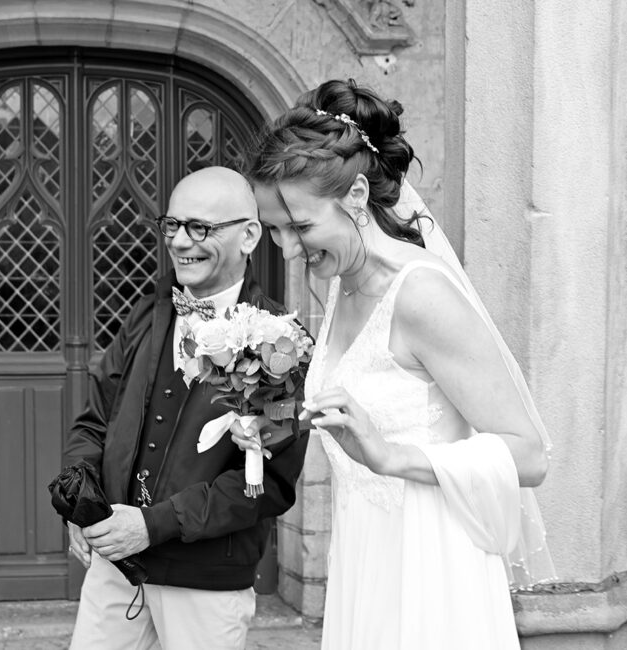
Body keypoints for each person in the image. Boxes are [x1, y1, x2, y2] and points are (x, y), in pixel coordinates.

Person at [234, 79, 555, 649]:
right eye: (277, 230)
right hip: (364, 555)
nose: (286, 249)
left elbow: (529, 453)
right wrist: (277, 418)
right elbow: (365, 402)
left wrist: (391, 455)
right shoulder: (340, 280)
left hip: (431, 569)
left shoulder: (421, 294)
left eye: (301, 227)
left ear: (356, 196)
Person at [63, 166, 310, 650]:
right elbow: (95, 420)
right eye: (172, 225)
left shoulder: (282, 345)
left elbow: (267, 485)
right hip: (116, 571)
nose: (180, 242)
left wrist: (152, 526)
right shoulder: (149, 311)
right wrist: (79, 499)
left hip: (206, 583)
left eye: (200, 228)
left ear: (249, 235)